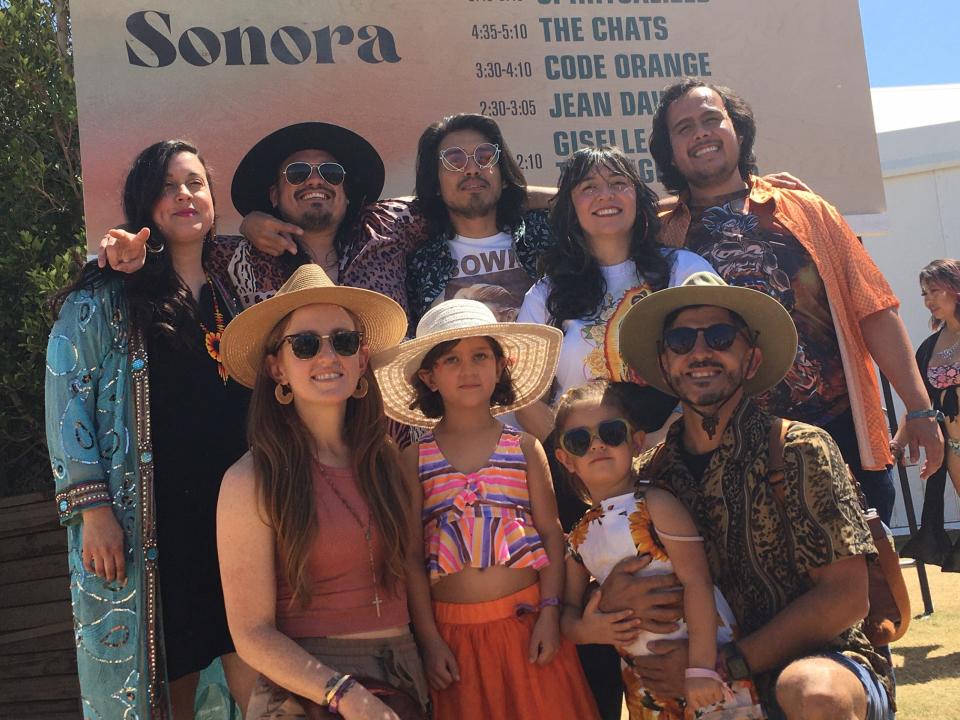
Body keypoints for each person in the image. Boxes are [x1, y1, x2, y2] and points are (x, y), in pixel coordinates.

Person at [648, 78, 944, 525]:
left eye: (712, 119)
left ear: (738, 131)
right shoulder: (660, 234)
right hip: (721, 452)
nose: (701, 133)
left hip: (839, 435)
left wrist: (919, 407)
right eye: (684, 127)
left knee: (863, 584)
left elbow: (875, 309)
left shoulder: (807, 210)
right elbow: (586, 206)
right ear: (669, 151)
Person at [612, 271, 894, 720]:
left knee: (815, 694)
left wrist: (725, 664)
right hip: (698, 680)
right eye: (681, 341)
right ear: (665, 364)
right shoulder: (649, 476)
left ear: (752, 358)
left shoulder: (800, 449)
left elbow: (845, 598)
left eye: (721, 336)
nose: (700, 352)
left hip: (816, 661)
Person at [45, 140, 257, 718]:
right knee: (167, 687)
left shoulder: (233, 295)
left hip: (237, 521)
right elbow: (68, 399)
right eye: (167, 186)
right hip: (149, 527)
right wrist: (93, 511)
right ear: (144, 204)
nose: (184, 195)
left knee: (262, 686)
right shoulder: (106, 295)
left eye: (194, 183)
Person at [371, 299, 600, 720]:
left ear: (500, 366)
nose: (468, 369)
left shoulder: (526, 448)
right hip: (455, 638)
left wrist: (550, 614)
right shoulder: (413, 460)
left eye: (480, 356)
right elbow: (411, 559)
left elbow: (551, 534)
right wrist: (429, 638)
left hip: (529, 625)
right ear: (429, 377)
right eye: (452, 359)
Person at [217, 264, 428, 719]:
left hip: (405, 677)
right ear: (277, 367)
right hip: (310, 693)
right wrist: (344, 694)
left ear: (362, 359)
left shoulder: (388, 459)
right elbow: (251, 632)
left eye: (344, 341)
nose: (327, 356)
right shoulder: (250, 480)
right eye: (306, 345)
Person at [556, 379, 764, 719]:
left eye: (610, 433)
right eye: (580, 440)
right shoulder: (579, 537)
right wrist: (585, 630)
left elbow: (698, 581)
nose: (596, 445)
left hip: (704, 662)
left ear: (636, 442)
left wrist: (700, 668)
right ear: (565, 460)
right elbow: (567, 610)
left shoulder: (656, 504)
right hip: (644, 679)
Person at [516, 145, 716, 442]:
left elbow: (717, 360)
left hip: (675, 457)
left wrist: (659, 444)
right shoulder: (546, 295)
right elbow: (525, 397)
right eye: (589, 187)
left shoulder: (683, 270)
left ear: (637, 196)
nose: (605, 195)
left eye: (618, 183)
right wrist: (578, 455)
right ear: (571, 209)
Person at [896, 259, 960, 571]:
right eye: (924, 294)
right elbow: (917, 403)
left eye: (935, 290)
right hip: (956, 450)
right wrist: (896, 442)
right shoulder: (929, 347)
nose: (929, 300)